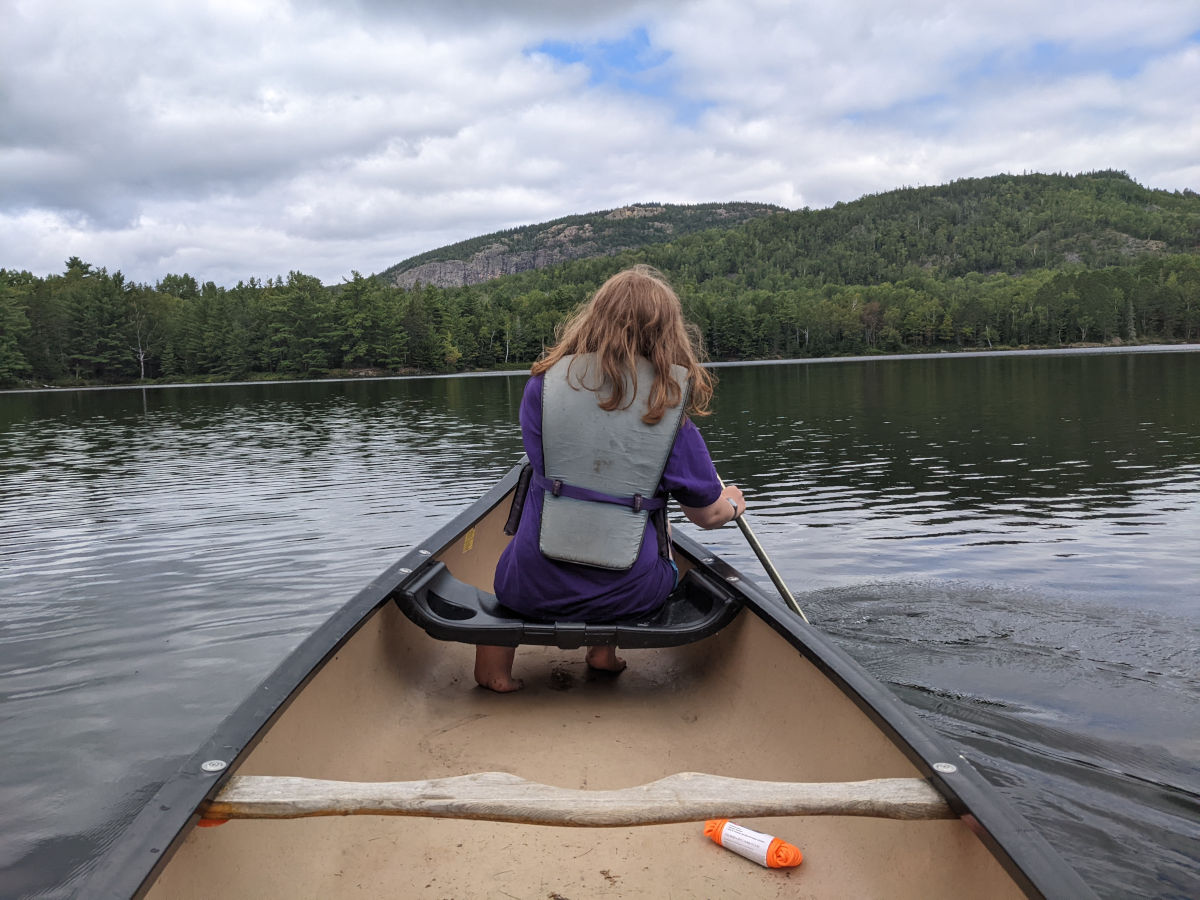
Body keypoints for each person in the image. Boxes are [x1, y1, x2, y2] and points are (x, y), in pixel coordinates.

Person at [476, 265, 746, 692]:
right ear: (669, 333)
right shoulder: (670, 411)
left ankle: (493, 672)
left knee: (511, 564)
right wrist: (732, 502)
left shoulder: (541, 388)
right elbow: (708, 516)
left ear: (595, 317)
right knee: (660, 526)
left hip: (527, 586)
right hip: (630, 596)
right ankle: (604, 653)